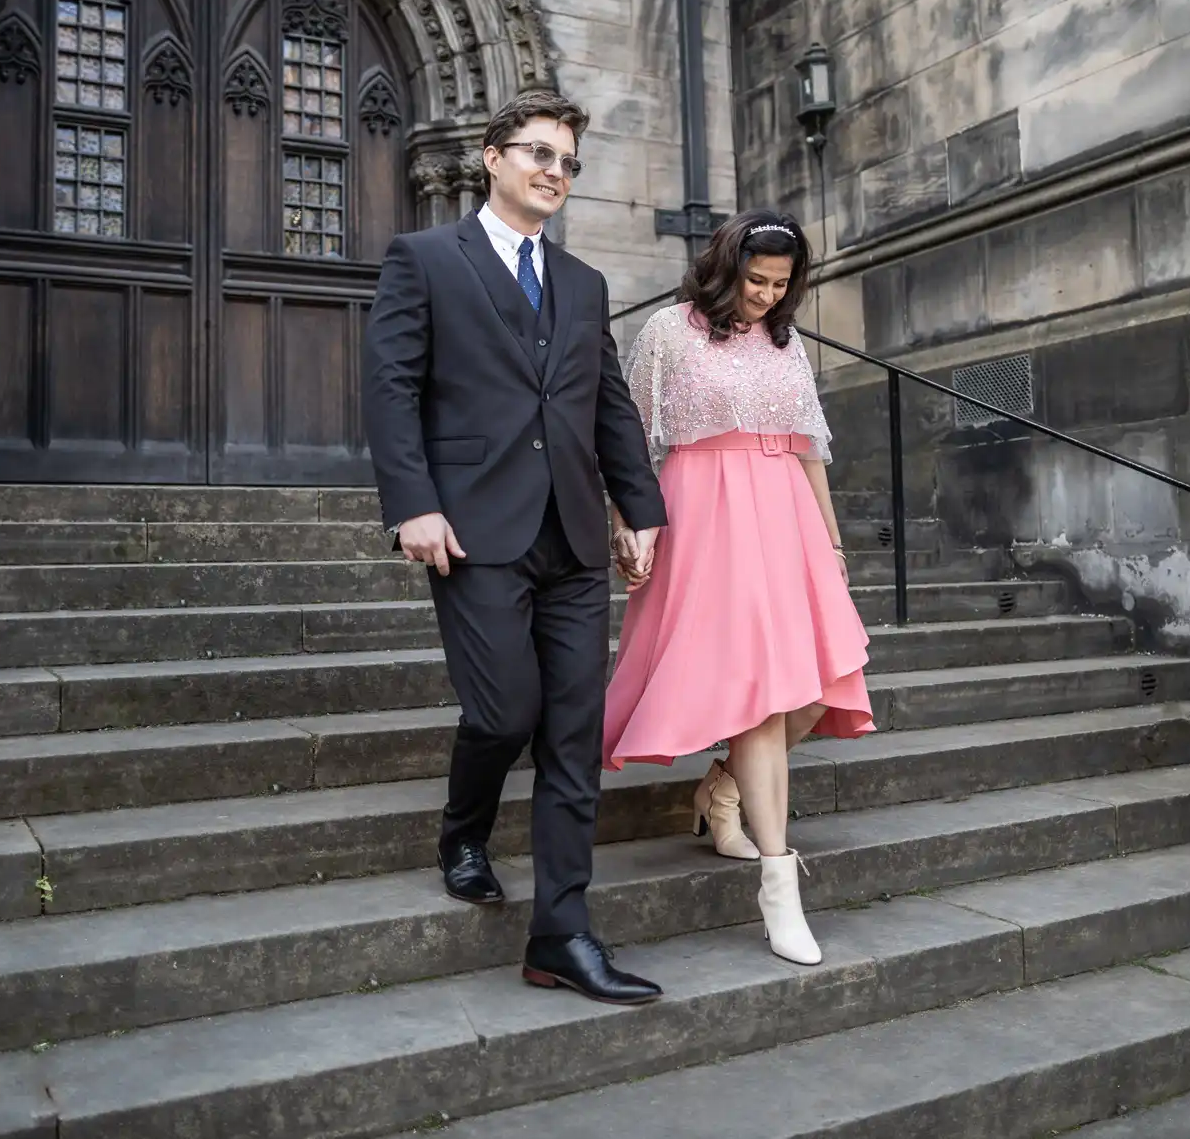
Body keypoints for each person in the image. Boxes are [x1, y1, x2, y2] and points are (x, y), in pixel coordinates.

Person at [361, 90, 669, 1006]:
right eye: (538, 152)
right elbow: (390, 387)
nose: (555, 171)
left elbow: (606, 403)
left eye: (568, 161)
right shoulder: (424, 259)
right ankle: (464, 830)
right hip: (473, 529)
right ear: (491, 157)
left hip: (573, 535)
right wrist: (411, 503)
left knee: (574, 735)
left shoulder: (582, 285)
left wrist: (638, 505)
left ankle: (561, 934)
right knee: (503, 714)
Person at [602, 211, 873, 967]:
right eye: (756, 280)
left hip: (785, 513)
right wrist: (628, 522)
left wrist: (834, 539)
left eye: (781, 284)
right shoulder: (668, 331)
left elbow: (808, 447)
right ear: (726, 268)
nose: (766, 295)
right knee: (760, 693)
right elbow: (627, 434)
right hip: (704, 510)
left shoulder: (786, 343)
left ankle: (723, 787)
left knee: (822, 683)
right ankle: (779, 886)